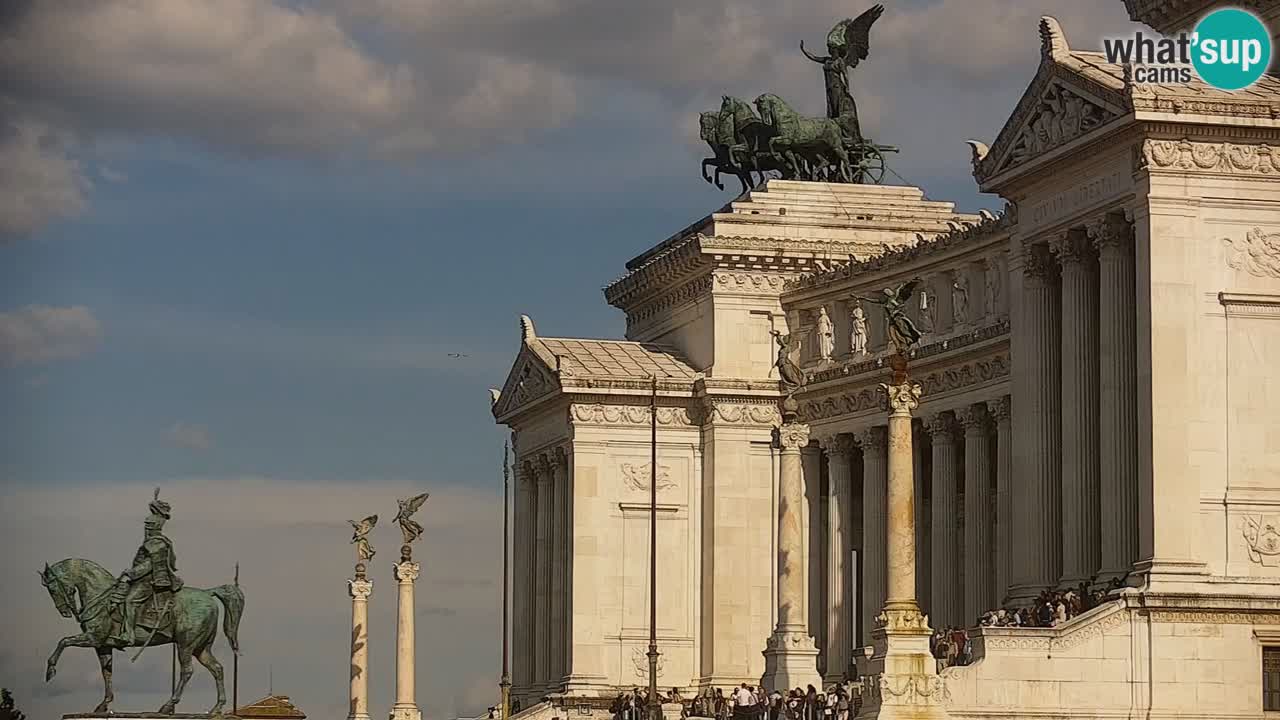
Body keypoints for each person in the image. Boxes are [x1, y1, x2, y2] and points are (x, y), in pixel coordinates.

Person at [110, 490, 183, 645]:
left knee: (130, 601)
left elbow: (150, 565)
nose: (146, 528)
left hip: (149, 581)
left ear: (153, 526)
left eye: (148, 526)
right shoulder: (155, 542)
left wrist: (131, 573)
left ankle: (128, 635)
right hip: (141, 579)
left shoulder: (156, 543)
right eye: (146, 526)